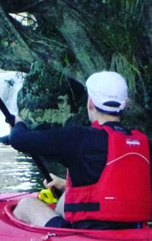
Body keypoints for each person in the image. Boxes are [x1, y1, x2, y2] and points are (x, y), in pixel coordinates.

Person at [9, 71, 151, 229]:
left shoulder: (81, 138)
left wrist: (18, 124)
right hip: (133, 230)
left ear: (90, 102)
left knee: (25, 205)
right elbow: (118, 188)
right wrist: (64, 185)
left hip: (87, 235)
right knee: (65, 197)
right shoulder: (141, 142)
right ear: (124, 105)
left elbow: (19, 140)